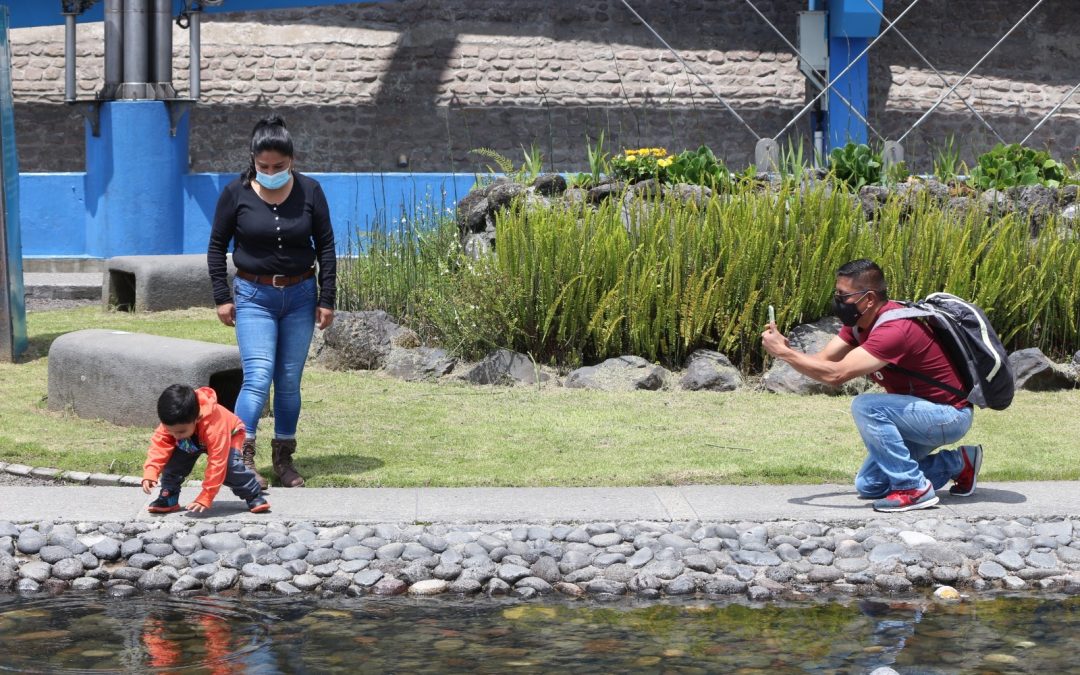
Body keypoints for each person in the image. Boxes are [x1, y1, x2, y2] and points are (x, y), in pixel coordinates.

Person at [760, 259, 983, 513]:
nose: (838, 300)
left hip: (947, 416)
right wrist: (785, 350)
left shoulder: (894, 329)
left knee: (866, 406)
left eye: (843, 295)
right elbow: (821, 363)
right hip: (918, 415)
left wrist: (785, 355)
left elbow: (836, 376)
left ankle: (913, 489)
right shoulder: (858, 326)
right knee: (869, 484)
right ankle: (959, 462)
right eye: (837, 293)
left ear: (868, 299)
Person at [207, 114, 336, 488]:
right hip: (253, 295)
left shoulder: (311, 191)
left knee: (289, 380)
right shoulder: (236, 193)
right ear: (253, 160)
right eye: (263, 166)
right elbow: (217, 247)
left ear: (292, 160)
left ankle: (284, 458)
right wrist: (221, 296)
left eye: (279, 166)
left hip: (300, 295)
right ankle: (242, 456)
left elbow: (326, 247)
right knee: (259, 375)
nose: (271, 171)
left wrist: (326, 297)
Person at [142, 384, 270, 514]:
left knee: (229, 466)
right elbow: (159, 445)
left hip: (229, 436)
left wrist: (206, 496)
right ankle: (169, 495)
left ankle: (253, 494)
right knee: (173, 461)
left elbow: (217, 461)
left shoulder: (215, 426)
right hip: (194, 438)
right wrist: (151, 471)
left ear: (197, 417)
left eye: (180, 431)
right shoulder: (177, 422)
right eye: (170, 431)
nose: (175, 436)